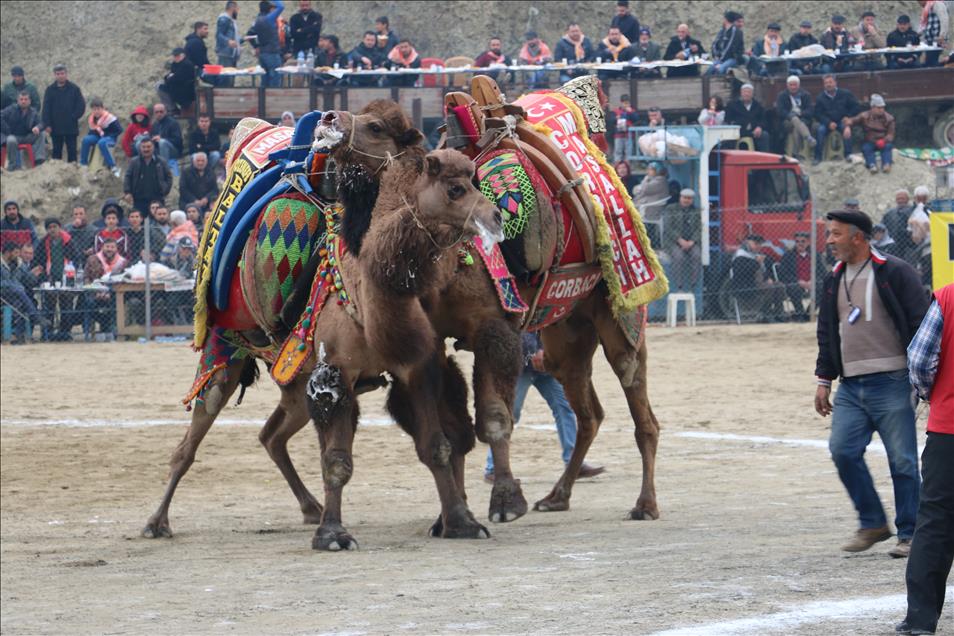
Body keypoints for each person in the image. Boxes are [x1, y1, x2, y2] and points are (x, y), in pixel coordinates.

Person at [814, 209, 929, 556]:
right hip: (850, 386)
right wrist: (824, 379)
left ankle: (910, 534)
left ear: (858, 237)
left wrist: (922, 377)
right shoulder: (834, 277)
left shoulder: (895, 272)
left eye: (835, 234)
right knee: (843, 451)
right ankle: (874, 523)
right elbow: (826, 331)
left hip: (894, 381)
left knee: (903, 461)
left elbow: (922, 325)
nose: (829, 241)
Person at [895, 283, 954, 636]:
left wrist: (933, 394)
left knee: (935, 521)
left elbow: (919, 359)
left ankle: (919, 619)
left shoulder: (948, 297)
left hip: (948, 428)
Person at [483, 332, 605, 483]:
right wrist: (536, 349)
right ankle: (493, 468)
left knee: (564, 407)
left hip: (546, 366)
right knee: (509, 414)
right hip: (521, 366)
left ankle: (574, 463)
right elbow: (523, 325)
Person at [729, 234, 786, 321]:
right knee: (769, 288)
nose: (758, 246)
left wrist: (768, 278)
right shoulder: (740, 256)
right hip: (747, 285)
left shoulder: (756, 255)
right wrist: (756, 262)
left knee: (779, 286)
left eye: (760, 244)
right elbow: (741, 272)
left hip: (760, 283)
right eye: (756, 244)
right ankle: (764, 314)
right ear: (747, 243)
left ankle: (778, 313)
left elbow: (764, 271)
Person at [1, 242, 48, 341]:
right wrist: (13, 285)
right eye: (16, 253)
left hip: (15, 296)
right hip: (2, 295)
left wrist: (33, 274)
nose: (18, 255)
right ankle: (35, 317)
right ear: (8, 253)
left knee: (21, 302)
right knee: (19, 290)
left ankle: (17, 335)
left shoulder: (19, 263)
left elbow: (27, 280)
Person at [41, 63, 84, 163]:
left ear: (66, 74)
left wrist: (74, 116)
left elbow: (81, 106)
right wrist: (47, 124)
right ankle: (57, 173)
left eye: (62, 73)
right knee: (56, 151)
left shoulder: (74, 89)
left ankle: (73, 172)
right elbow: (46, 108)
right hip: (55, 126)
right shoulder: (50, 90)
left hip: (71, 126)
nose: (60, 75)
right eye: (58, 74)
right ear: (55, 75)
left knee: (72, 151)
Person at [813, 74, 860, 165]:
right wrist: (828, 123)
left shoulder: (846, 93)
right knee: (820, 131)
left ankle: (848, 155)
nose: (828, 85)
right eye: (826, 83)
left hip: (843, 120)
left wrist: (848, 117)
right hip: (828, 123)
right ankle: (817, 157)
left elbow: (856, 107)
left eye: (830, 82)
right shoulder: (820, 97)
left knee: (846, 130)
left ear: (835, 83)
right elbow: (818, 114)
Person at [661, 188, 701, 292]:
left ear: (692, 200)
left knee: (696, 255)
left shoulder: (696, 211)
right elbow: (668, 227)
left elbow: (699, 228)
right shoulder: (671, 209)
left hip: (690, 242)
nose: (686, 200)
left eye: (689, 198)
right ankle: (679, 287)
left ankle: (693, 286)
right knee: (678, 257)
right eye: (684, 197)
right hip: (673, 242)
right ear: (680, 197)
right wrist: (680, 240)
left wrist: (692, 241)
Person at [845, 94, 895, 174]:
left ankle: (886, 164)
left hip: (883, 141)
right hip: (870, 141)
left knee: (887, 148)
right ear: (872, 107)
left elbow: (891, 134)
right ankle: (872, 165)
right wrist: (847, 126)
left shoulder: (889, 118)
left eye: (882, 107)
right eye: (879, 108)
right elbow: (853, 120)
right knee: (866, 149)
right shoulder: (864, 116)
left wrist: (884, 140)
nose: (881, 110)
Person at [123, 138, 172, 216]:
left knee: (157, 221)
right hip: (139, 199)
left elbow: (169, 177)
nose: (146, 149)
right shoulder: (134, 162)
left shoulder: (161, 161)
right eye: (143, 147)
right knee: (141, 223)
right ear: (140, 148)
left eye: (148, 147)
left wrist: (165, 190)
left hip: (157, 199)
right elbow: (128, 176)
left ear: (153, 147)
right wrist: (127, 192)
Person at [1, 90, 45, 170]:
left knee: (41, 133)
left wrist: (37, 127)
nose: (23, 101)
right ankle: (12, 165)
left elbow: (41, 123)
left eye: (25, 99)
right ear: (18, 101)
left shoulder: (33, 112)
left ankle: (39, 160)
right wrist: (7, 130)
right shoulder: (11, 109)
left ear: (29, 101)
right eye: (21, 99)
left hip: (26, 137)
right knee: (11, 140)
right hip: (13, 136)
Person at [79, 97, 123, 177]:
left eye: (98, 109)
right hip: (98, 136)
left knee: (101, 143)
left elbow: (119, 130)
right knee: (86, 140)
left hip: (110, 137)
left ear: (102, 108)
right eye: (94, 109)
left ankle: (112, 166)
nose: (96, 111)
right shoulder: (92, 119)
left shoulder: (109, 118)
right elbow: (92, 131)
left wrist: (107, 135)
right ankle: (83, 164)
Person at [775, 75, 816, 159]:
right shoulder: (782, 95)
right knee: (794, 119)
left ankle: (795, 154)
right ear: (787, 85)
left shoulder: (805, 95)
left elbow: (810, 111)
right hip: (787, 121)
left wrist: (800, 114)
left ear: (799, 85)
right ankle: (808, 137)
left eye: (795, 85)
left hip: (803, 120)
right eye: (791, 85)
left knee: (796, 127)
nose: (793, 87)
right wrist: (790, 115)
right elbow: (780, 111)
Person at [778, 231, 814, 321]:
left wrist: (812, 280)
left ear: (808, 242)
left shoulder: (815, 255)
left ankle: (808, 313)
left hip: (812, 281)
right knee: (794, 288)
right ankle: (800, 313)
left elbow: (822, 272)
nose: (800, 244)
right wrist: (798, 281)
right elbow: (783, 274)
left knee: (823, 287)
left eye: (803, 241)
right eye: (797, 241)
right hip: (795, 282)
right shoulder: (788, 256)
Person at [633, 162, 670, 246]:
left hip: (653, 208)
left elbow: (645, 188)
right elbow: (641, 190)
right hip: (648, 205)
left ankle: (644, 241)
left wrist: (645, 179)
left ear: (657, 171)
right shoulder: (655, 179)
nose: (648, 171)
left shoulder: (661, 180)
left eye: (651, 170)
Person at [725, 83, 769, 151]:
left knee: (765, 135)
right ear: (741, 93)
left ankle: (764, 158)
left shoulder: (758, 105)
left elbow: (763, 120)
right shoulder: (732, 105)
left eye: (749, 92)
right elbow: (728, 119)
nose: (746, 94)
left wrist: (759, 127)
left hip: (754, 131)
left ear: (752, 94)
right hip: (739, 131)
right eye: (744, 92)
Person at [251, 0, 285, 88]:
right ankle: (272, 100)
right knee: (275, 80)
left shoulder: (257, 20)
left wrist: (256, 46)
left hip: (263, 53)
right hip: (272, 53)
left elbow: (251, 35)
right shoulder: (269, 19)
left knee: (264, 80)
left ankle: (262, 100)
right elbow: (281, 7)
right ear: (270, 9)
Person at [145, 103, 183, 175]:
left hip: (174, 151)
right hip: (159, 151)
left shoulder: (173, 123)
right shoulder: (155, 125)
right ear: (154, 113)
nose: (159, 114)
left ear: (165, 112)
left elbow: (178, 141)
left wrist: (162, 139)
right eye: (157, 112)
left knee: (162, 142)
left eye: (161, 111)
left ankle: (164, 169)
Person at [157, 48, 196, 115]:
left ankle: (172, 109)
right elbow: (170, 76)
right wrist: (169, 78)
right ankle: (171, 108)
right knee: (158, 85)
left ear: (183, 55)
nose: (176, 58)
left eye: (178, 56)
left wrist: (169, 78)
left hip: (184, 90)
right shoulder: (176, 64)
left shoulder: (186, 64)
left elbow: (176, 78)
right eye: (175, 56)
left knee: (160, 87)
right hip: (177, 86)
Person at [882, 189, 917, 264]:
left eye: (902, 198)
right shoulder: (889, 214)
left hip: (910, 246)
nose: (900, 200)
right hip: (894, 247)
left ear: (908, 199)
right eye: (898, 198)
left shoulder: (914, 212)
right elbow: (882, 228)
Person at [709, 10, 745, 75]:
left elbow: (730, 47)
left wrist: (721, 61)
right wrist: (716, 55)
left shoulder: (735, 31)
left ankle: (720, 85)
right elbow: (714, 45)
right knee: (710, 69)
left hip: (733, 58)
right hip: (721, 58)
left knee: (720, 69)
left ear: (725, 19)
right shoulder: (722, 31)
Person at [215, 0, 241, 82]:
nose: (238, 11)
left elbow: (233, 38)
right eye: (237, 9)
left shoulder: (231, 21)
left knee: (230, 80)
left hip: (231, 55)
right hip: (226, 54)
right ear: (232, 8)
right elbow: (218, 35)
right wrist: (228, 41)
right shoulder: (224, 19)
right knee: (225, 81)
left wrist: (243, 40)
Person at [917, 0, 949, 67]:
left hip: (937, 40)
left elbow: (944, 19)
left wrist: (942, 35)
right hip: (930, 40)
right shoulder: (928, 7)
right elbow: (926, 24)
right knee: (929, 61)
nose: (919, 3)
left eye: (919, 1)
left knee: (933, 62)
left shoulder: (937, 4)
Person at [610, 95, 635, 163]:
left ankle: (628, 165)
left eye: (627, 103)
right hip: (619, 134)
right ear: (621, 103)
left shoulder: (632, 111)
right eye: (625, 103)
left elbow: (635, 119)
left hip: (629, 135)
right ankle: (617, 165)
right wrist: (616, 118)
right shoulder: (616, 111)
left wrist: (630, 112)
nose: (626, 105)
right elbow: (611, 121)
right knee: (618, 151)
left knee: (628, 151)